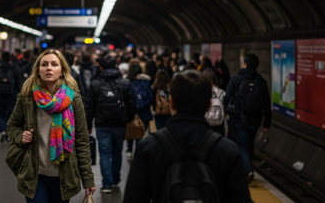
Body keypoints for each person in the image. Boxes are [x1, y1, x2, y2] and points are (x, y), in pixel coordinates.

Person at [123, 70, 251, 203]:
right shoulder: (228, 150)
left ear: (171, 102)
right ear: (208, 106)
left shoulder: (148, 148)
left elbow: (133, 198)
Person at [6, 48, 95, 203]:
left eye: (54, 64)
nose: (48, 68)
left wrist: (88, 179)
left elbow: (82, 141)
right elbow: (12, 126)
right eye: (44, 64)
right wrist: (20, 136)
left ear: (62, 71)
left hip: (63, 175)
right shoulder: (27, 97)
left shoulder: (73, 100)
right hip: (34, 174)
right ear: (38, 70)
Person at [85, 55, 136, 194]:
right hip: (120, 124)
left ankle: (106, 184)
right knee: (117, 152)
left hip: (102, 125)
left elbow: (89, 107)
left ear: (100, 67)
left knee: (104, 153)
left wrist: (88, 125)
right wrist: (128, 119)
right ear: (116, 66)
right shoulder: (125, 83)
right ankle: (115, 179)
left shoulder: (95, 84)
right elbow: (132, 104)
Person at [224, 53, 271, 184]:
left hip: (239, 118)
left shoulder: (236, 79)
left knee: (242, 146)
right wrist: (267, 122)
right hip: (255, 120)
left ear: (245, 64)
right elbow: (266, 103)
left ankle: (248, 170)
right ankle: (247, 168)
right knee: (249, 144)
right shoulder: (261, 81)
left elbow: (227, 97)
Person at [0, 51, 21, 142]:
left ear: (1, 58)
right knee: (9, 113)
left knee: (0, 113)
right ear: (10, 58)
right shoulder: (14, 68)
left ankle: (2, 130)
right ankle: (8, 133)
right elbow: (18, 82)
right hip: (11, 95)